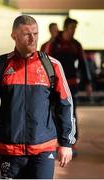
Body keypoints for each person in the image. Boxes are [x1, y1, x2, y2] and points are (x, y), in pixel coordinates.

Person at [0, 15, 76, 179]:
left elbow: (66, 105)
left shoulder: (52, 66)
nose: (32, 39)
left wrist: (66, 143)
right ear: (13, 36)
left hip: (43, 150)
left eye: (35, 34)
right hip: (8, 150)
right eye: (26, 34)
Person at [50, 17, 92, 154]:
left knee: (70, 112)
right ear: (66, 28)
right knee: (55, 112)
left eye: (75, 28)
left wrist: (87, 83)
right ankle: (56, 141)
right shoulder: (55, 43)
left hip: (72, 84)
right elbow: (47, 63)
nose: (74, 31)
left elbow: (83, 64)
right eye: (72, 28)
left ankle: (70, 142)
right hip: (55, 84)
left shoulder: (76, 45)